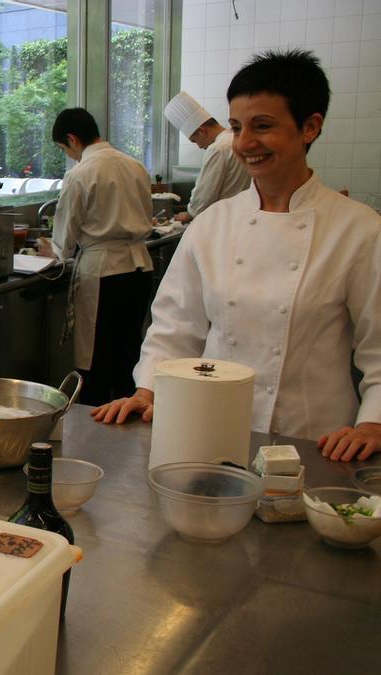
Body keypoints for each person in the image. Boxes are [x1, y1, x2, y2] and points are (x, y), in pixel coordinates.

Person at [93, 49, 381, 463]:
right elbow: (176, 325)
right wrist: (148, 389)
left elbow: (377, 347)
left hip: (315, 442)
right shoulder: (213, 224)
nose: (244, 143)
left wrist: (372, 423)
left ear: (310, 127)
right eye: (236, 127)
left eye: (263, 126)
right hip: (208, 428)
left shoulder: (358, 229)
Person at [35, 108, 153, 406]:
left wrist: (53, 250)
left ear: (72, 139)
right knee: (128, 352)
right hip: (140, 266)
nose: (69, 155)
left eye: (64, 148)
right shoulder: (135, 165)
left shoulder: (80, 173)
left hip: (104, 271)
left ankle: (95, 427)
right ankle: (129, 413)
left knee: (95, 357)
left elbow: (64, 239)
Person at [163, 91, 251, 222]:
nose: (199, 146)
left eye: (195, 140)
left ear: (202, 130)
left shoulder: (217, 148)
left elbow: (205, 194)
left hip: (222, 220)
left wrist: (189, 214)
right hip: (243, 216)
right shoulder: (236, 140)